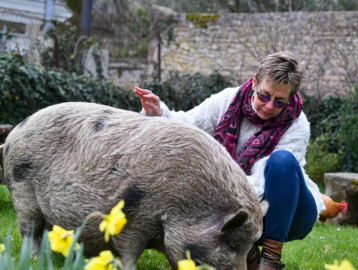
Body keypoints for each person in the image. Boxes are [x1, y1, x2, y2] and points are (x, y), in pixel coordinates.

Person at [134, 51, 325, 270]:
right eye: (264, 95)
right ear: (254, 82)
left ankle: (270, 260)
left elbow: (264, 182)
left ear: (291, 98)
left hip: (289, 211)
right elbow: (190, 126)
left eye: (279, 101)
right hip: (239, 208)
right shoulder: (228, 100)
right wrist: (160, 112)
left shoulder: (297, 126)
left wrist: (218, 186)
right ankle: (249, 255)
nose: (269, 106)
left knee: (282, 161)